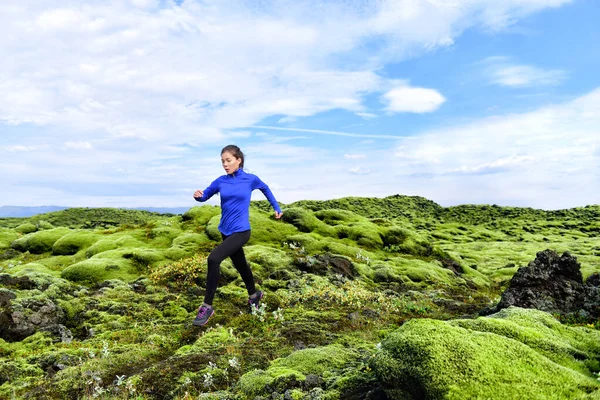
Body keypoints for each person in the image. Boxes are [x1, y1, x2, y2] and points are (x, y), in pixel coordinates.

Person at [192, 144, 283, 326]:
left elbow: (265, 188)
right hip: (225, 231)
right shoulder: (220, 181)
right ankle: (254, 295)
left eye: (228, 160)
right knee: (241, 265)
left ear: (238, 160)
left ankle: (207, 306)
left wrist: (276, 207)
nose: (225, 164)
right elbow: (205, 196)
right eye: (222, 161)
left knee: (213, 259)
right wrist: (198, 196)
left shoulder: (250, 180)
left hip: (242, 231)